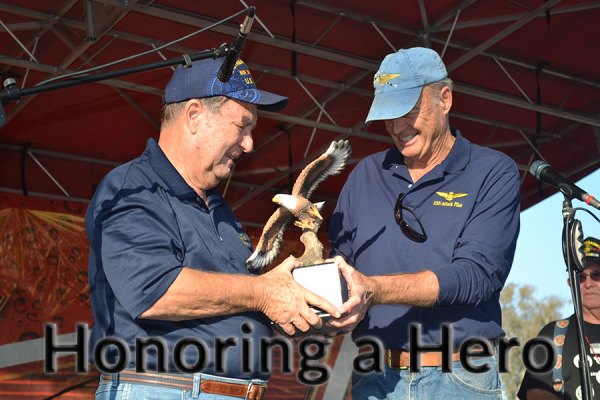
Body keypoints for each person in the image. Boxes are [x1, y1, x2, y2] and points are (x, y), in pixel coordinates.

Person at [85, 57, 341, 400]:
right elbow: (153, 290)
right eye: (243, 126)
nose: (249, 144)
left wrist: (304, 305)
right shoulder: (133, 187)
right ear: (194, 116)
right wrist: (265, 294)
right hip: (165, 390)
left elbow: (236, 298)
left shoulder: (219, 208)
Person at [327, 47, 521, 399]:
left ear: (444, 99)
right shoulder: (365, 175)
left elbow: (477, 275)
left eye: (408, 110)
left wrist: (373, 289)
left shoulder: (493, 171)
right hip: (374, 377)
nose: (397, 126)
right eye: (388, 114)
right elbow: (339, 267)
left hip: (459, 378)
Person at [518, 236, 600, 400]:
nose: (588, 283)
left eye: (596, 275)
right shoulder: (552, 335)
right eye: (580, 276)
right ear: (571, 283)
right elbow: (534, 393)